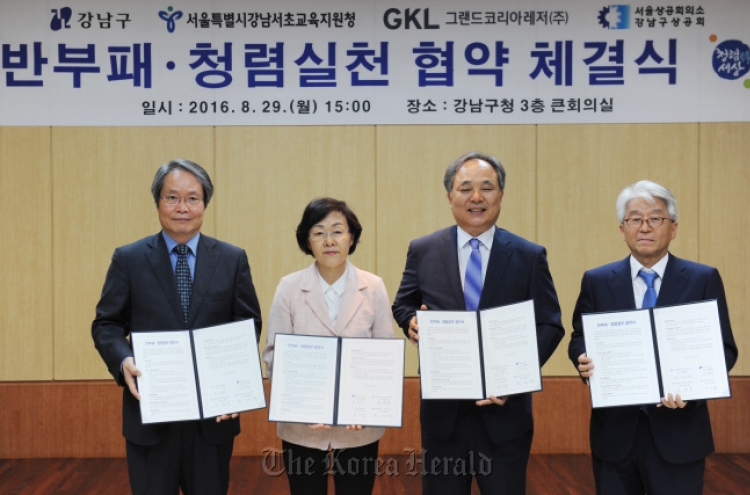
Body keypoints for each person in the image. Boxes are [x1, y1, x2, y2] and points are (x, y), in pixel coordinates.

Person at [391, 151, 565, 495]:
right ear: (449, 196)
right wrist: (410, 321)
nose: (476, 197)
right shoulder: (424, 249)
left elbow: (550, 324)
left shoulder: (529, 255)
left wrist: (514, 378)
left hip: (505, 415)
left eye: (487, 188)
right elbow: (403, 303)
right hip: (443, 415)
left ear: (501, 195)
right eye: (465, 188)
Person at [92, 159, 262, 495]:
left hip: (213, 420)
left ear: (205, 204)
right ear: (157, 202)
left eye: (192, 198)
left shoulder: (231, 259)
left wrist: (233, 378)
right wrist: (124, 360)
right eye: (172, 198)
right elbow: (107, 324)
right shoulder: (129, 259)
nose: (182, 207)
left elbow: (247, 325)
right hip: (151, 418)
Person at [568, 180, 738, 495]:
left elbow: (724, 349)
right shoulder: (597, 281)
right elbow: (579, 338)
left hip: (680, 432)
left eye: (655, 218)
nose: (644, 227)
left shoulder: (702, 279)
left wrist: (693, 389)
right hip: (615, 435)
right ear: (622, 229)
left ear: (673, 228)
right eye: (635, 219)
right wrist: (582, 358)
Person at [263, 197, 394, 495]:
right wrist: (302, 405)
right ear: (307, 240)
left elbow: (384, 355)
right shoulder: (289, 287)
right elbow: (274, 355)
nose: (329, 240)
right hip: (302, 426)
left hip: (359, 426)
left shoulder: (373, 286)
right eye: (319, 232)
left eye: (338, 230)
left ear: (352, 237)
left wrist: (368, 407)